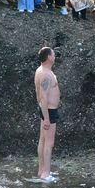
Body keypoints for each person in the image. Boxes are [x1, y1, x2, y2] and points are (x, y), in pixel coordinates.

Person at [35, 46, 61, 181]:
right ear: (49, 57)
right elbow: (43, 96)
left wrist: (42, 111)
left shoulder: (40, 70)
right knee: (49, 143)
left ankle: (41, 170)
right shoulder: (45, 74)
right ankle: (46, 174)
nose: (55, 57)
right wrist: (46, 118)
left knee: (43, 140)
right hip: (49, 111)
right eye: (54, 54)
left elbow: (38, 94)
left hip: (45, 110)